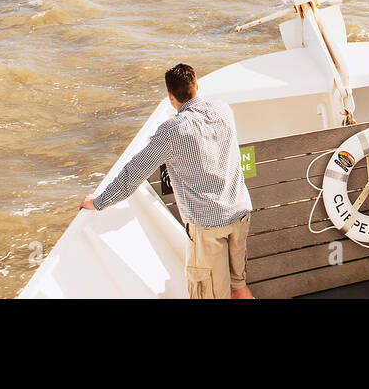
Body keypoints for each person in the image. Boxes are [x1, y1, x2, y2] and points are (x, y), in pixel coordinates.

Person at [79, 63, 254, 300]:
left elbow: (133, 174)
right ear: (196, 86)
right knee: (238, 287)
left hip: (208, 225)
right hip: (240, 212)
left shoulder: (173, 131)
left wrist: (98, 202)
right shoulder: (223, 110)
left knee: (209, 295)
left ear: (170, 96)